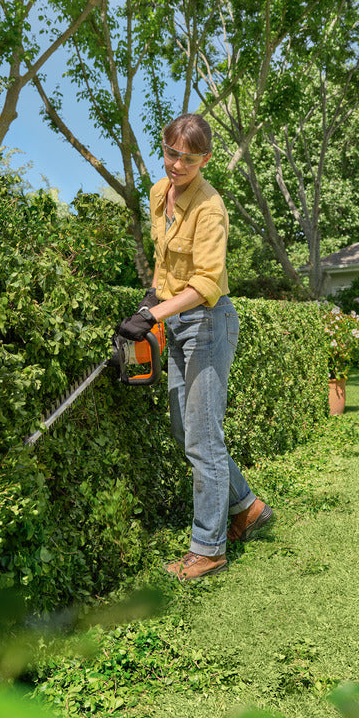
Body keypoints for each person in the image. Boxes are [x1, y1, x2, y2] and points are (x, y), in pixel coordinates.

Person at [116, 114, 272, 580]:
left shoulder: (210, 208)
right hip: (176, 318)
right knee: (186, 429)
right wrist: (152, 298)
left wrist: (152, 317)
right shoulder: (156, 194)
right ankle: (247, 507)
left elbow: (205, 282)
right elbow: (167, 266)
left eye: (188, 157)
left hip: (208, 321)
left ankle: (209, 549)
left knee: (203, 439)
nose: (177, 163)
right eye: (170, 152)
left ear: (205, 158)